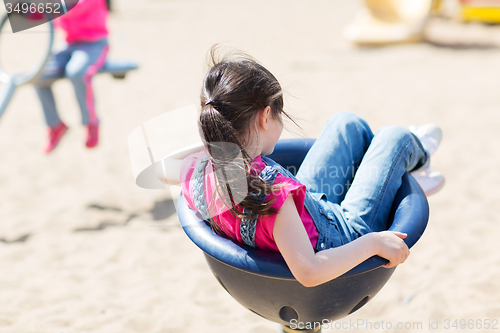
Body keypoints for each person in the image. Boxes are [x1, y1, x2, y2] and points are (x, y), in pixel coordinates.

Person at [179, 49, 445, 288]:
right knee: (395, 138)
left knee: (346, 124)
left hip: (310, 212)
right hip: (345, 237)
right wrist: (373, 242)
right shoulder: (274, 196)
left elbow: (162, 170)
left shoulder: (195, 171)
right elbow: (309, 271)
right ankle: (417, 163)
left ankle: (393, 178)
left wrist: (213, 143)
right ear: (264, 117)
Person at [34, 0, 109, 153]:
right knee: (38, 75)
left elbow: (75, 7)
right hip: (70, 43)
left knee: (77, 72)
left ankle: (91, 122)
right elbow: (51, 18)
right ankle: (55, 124)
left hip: (94, 43)